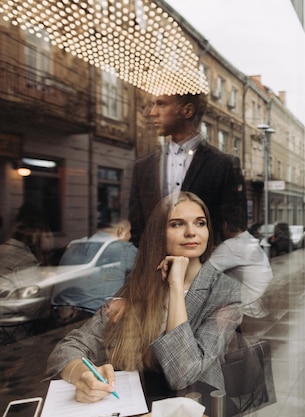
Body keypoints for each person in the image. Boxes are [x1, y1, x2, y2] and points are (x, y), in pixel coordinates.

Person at [46, 192, 243, 401]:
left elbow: (183, 374)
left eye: (200, 223)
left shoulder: (225, 291)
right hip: (134, 403)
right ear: (159, 233)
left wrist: (175, 286)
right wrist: (82, 374)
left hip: (196, 405)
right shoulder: (139, 285)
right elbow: (68, 348)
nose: (191, 232)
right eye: (177, 224)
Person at [129, 93, 247, 246]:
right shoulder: (143, 168)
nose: (152, 112)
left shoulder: (223, 165)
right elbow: (137, 230)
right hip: (155, 267)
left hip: (204, 265)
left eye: (161, 104)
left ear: (187, 111)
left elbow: (234, 231)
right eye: (153, 105)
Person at [51, 220, 137, 321]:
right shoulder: (124, 249)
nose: (130, 236)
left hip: (60, 316)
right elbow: (148, 268)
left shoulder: (74, 245)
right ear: (120, 231)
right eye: (129, 231)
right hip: (94, 318)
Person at [210, 204, 273, 319]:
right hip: (261, 305)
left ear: (224, 225)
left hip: (248, 312)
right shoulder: (248, 239)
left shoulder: (231, 245)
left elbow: (203, 274)